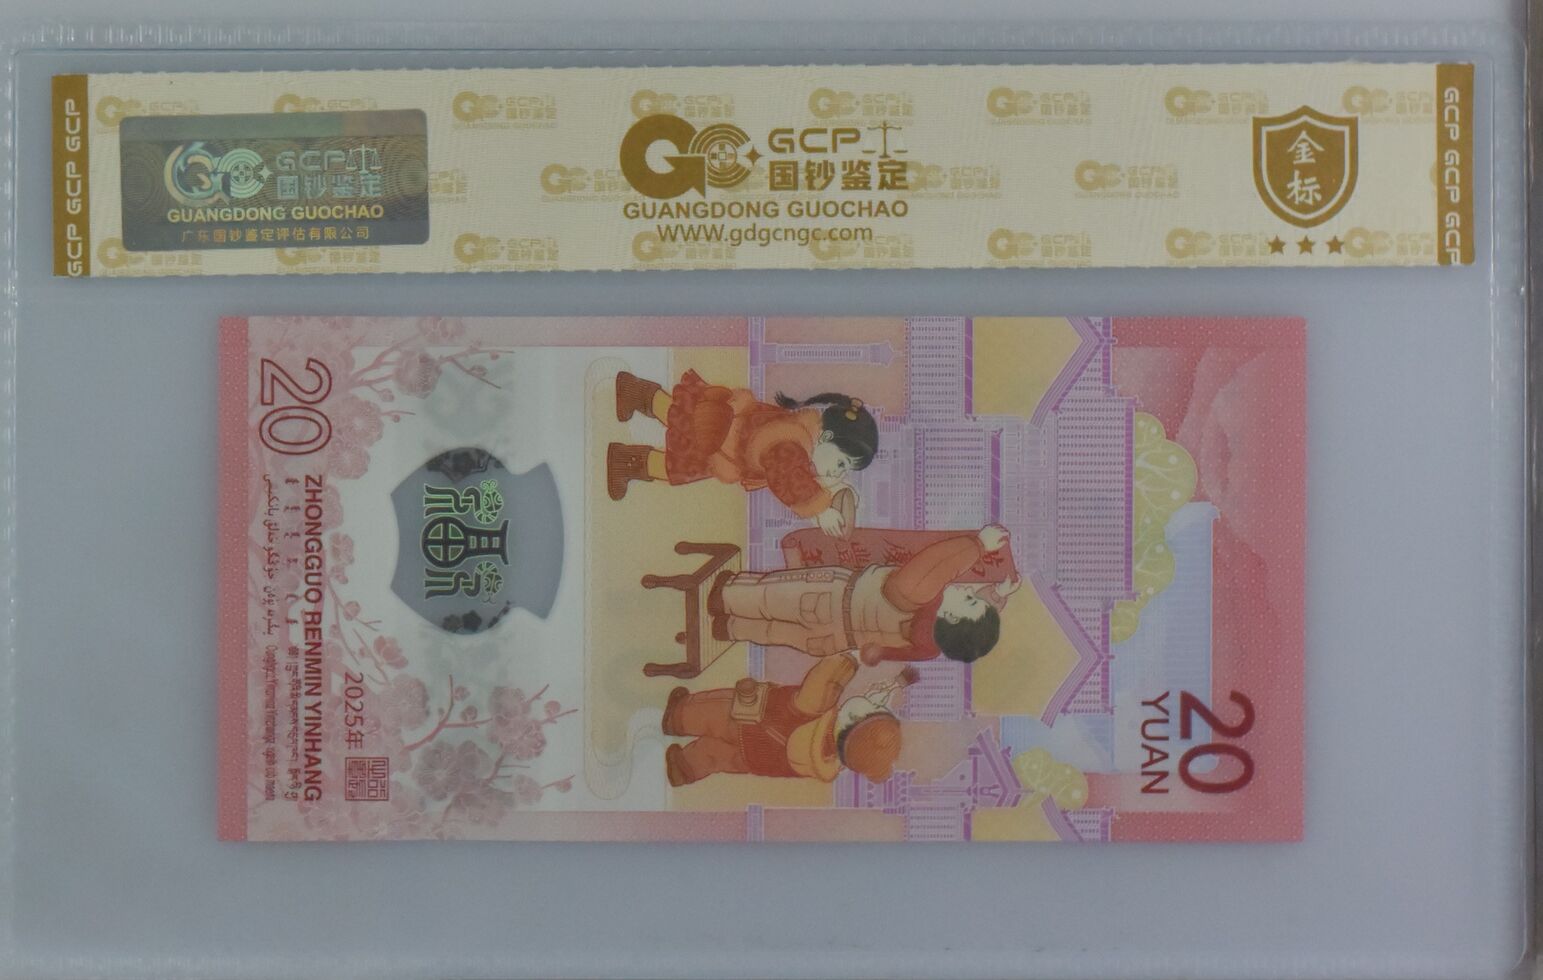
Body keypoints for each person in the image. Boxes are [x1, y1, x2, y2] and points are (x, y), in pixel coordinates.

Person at [606, 370, 878, 536]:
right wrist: (820, 510)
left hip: (726, 435)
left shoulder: (802, 435)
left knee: (678, 418)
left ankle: (633, 408)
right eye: (841, 463)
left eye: (844, 470)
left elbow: (802, 471)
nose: (837, 472)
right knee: (677, 452)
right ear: (827, 437)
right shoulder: (792, 443)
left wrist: (837, 489)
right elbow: (788, 477)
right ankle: (626, 451)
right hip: (721, 439)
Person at [709, 525, 1020, 665]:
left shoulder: (918, 594)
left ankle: (725, 596)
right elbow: (968, 629)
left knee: (769, 598)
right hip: (831, 641)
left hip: (826, 600)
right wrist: (997, 594)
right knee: (774, 633)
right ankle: (731, 628)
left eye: (969, 599)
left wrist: (978, 544)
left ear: (950, 616)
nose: (967, 591)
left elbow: (936, 565)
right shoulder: (930, 647)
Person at [660, 654, 917, 786]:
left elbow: (826, 678)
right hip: (755, 760)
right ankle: (685, 768)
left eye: (873, 708)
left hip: (749, 722)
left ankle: (678, 716)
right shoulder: (825, 761)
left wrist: (850, 659)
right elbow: (873, 700)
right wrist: (897, 683)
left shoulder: (818, 708)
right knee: (716, 756)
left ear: (854, 719)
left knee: (713, 713)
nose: (874, 701)